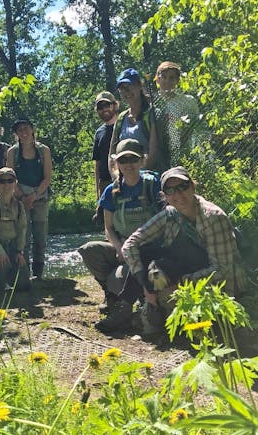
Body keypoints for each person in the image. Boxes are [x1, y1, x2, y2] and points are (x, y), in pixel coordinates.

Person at [122, 166, 242, 334]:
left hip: (220, 287)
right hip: (188, 275)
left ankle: (167, 321)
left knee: (166, 298)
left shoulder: (213, 217)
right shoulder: (170, 214)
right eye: (170, 190)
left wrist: (180, 284)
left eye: (183, 187)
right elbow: (130, 244)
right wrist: (144, 283)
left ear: (193, 186)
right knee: (148, 256)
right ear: (164, 196)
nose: (178, 195)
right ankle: (150, 314)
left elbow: (222, 269)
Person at [78, 139, 162, 332]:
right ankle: (111, 296)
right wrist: (119, 247)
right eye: (124, 160)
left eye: (133, 159)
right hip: (122, 245)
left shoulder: (154, 184)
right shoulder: (112, 191)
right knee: (89, 250)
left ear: (142, 160)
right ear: (117, 164)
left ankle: (132, 306)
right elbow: (108, 227)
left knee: (126, 276)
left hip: (150, 247)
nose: (129, 164)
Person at [6, 119, 52, 279]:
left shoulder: (43, 150)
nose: (23, 133)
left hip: (40, 198)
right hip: (20, 200)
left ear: (32, 130)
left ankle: (38, 274)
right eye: (20, 130)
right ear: (16, 134)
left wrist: (34, 195)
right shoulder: (12, 152)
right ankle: (23, 273)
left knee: (40, 237)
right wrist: (23, 197)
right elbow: (10, 177)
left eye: (26, 129)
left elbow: (47, 178)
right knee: (23, 238)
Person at [0, 167, 30, 293]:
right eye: (2, 181)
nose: (6, 184)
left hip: (13, 248)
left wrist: (19, 251)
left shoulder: (19, 206)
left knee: (24, 285)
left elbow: (22, 229)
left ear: (15, 183)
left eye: (10, 181)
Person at [108, 68, 159, 177]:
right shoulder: (121, 118)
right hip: (125, 180)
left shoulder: (152, 114)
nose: (126, 92)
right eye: (122, 88)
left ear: (139, 86)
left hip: (148, 179)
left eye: (129, 86)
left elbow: (154, 153)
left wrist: (138, 180)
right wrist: (116, 177)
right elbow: (112, 153)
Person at [151, 61, 201, 169]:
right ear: (157, 79)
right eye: (163, 77)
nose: (167, 81)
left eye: (171, 78)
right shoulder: (151, 102)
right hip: (158, 154)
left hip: (183, 152)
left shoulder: (187, 101)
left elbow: (197, 127)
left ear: (177, 80)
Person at [92, 91, 119, 224]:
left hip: (122, 181)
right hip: (105, 183)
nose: (104, 110)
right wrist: (98, 194)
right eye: (100, 107)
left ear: (114, 105)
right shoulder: (99, 132)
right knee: (108, 226)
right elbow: (97, 165)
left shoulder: (124, 125)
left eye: (107, 105)